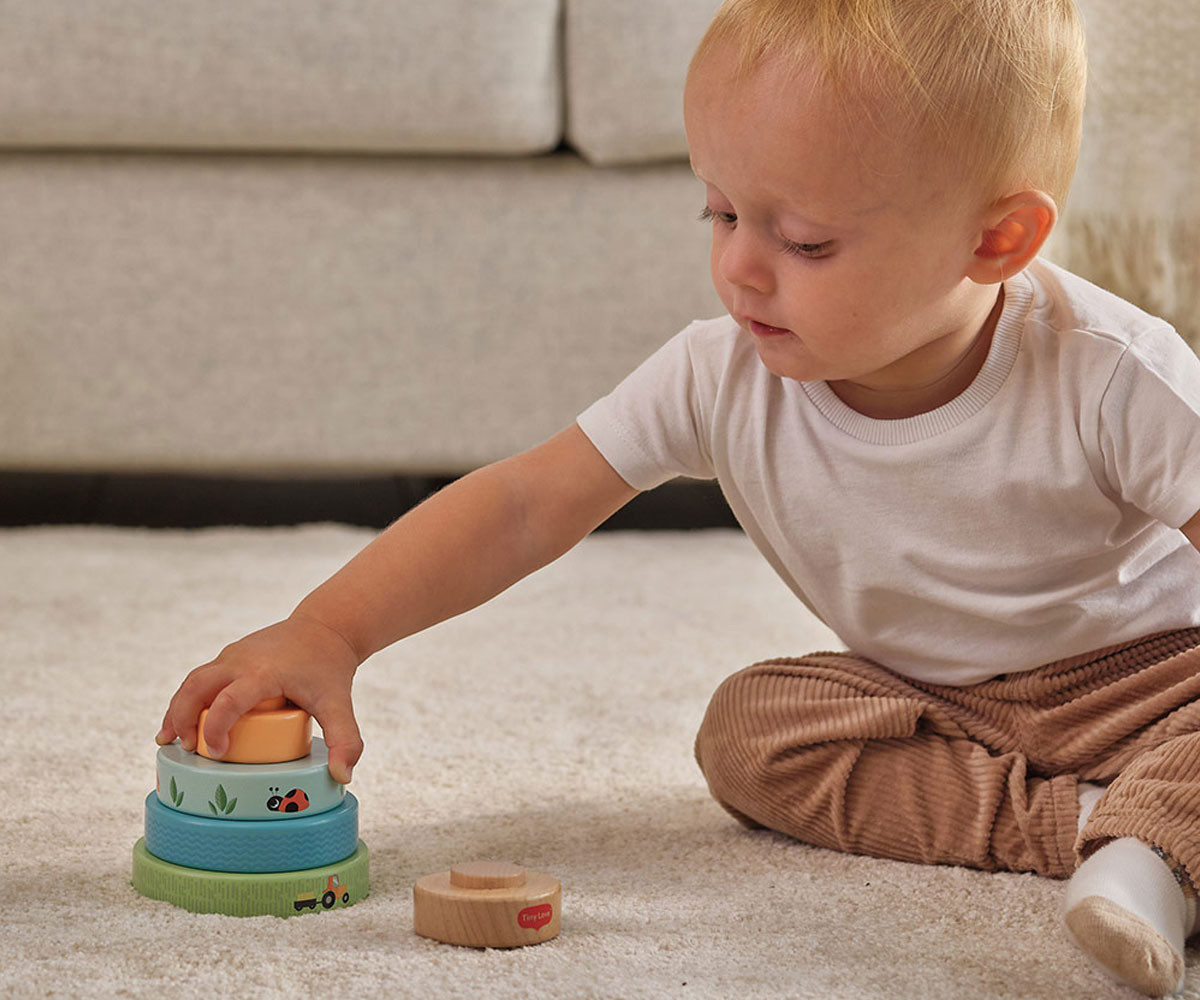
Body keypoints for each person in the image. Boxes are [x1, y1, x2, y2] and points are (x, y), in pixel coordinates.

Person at [157, 0, 1200, 993]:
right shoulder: (719, 374)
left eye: (805, 241)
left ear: (996, 241)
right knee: (752, 733)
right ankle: (1104, 829)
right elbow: (524, 504)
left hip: (1155, 684)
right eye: (722, 211)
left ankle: (1150, 848)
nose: (739, 267)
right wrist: (330, 631)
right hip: (935, 701)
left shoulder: (1109, 373)